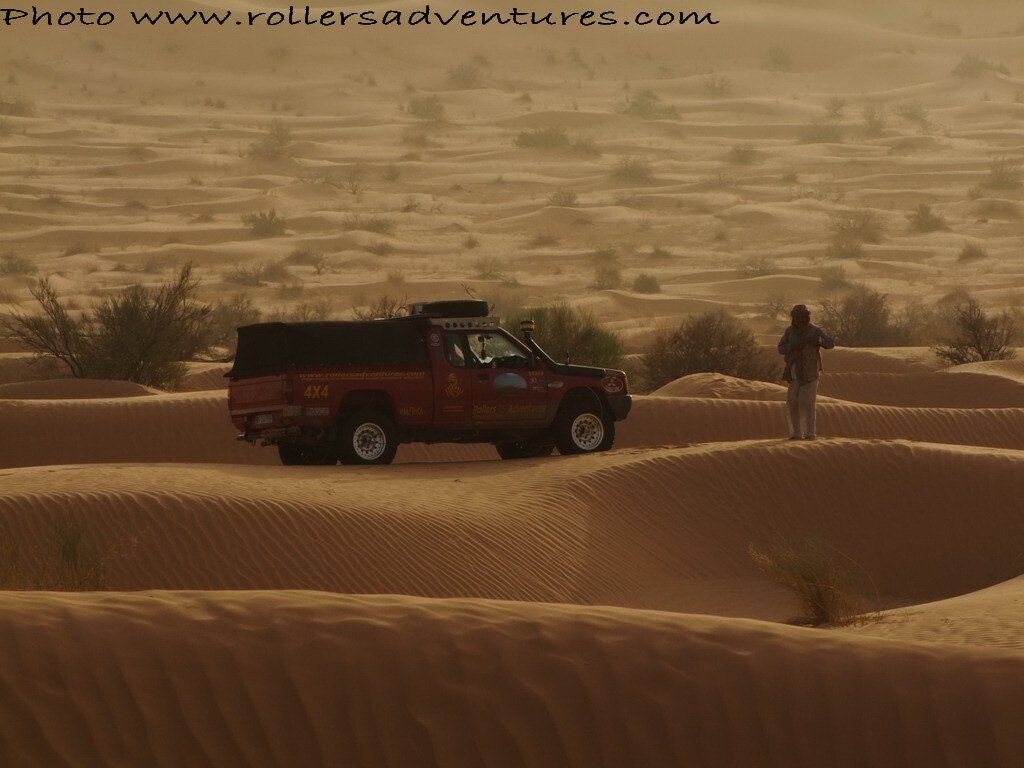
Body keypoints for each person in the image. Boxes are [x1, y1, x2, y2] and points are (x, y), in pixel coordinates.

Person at [777, 304, 835, 440]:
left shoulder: (815, 330)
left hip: (810, 372)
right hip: (793, 372)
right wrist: (792, 346)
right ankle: (796, 433)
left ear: (807, 317)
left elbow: (830, 343)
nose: (800, 320)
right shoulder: (789, 331)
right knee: (792, 403)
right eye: (797, 317)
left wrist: (818, 341)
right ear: (794, 318)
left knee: (806, 402)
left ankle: (810, 433)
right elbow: (781, 348)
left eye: (803, 317)